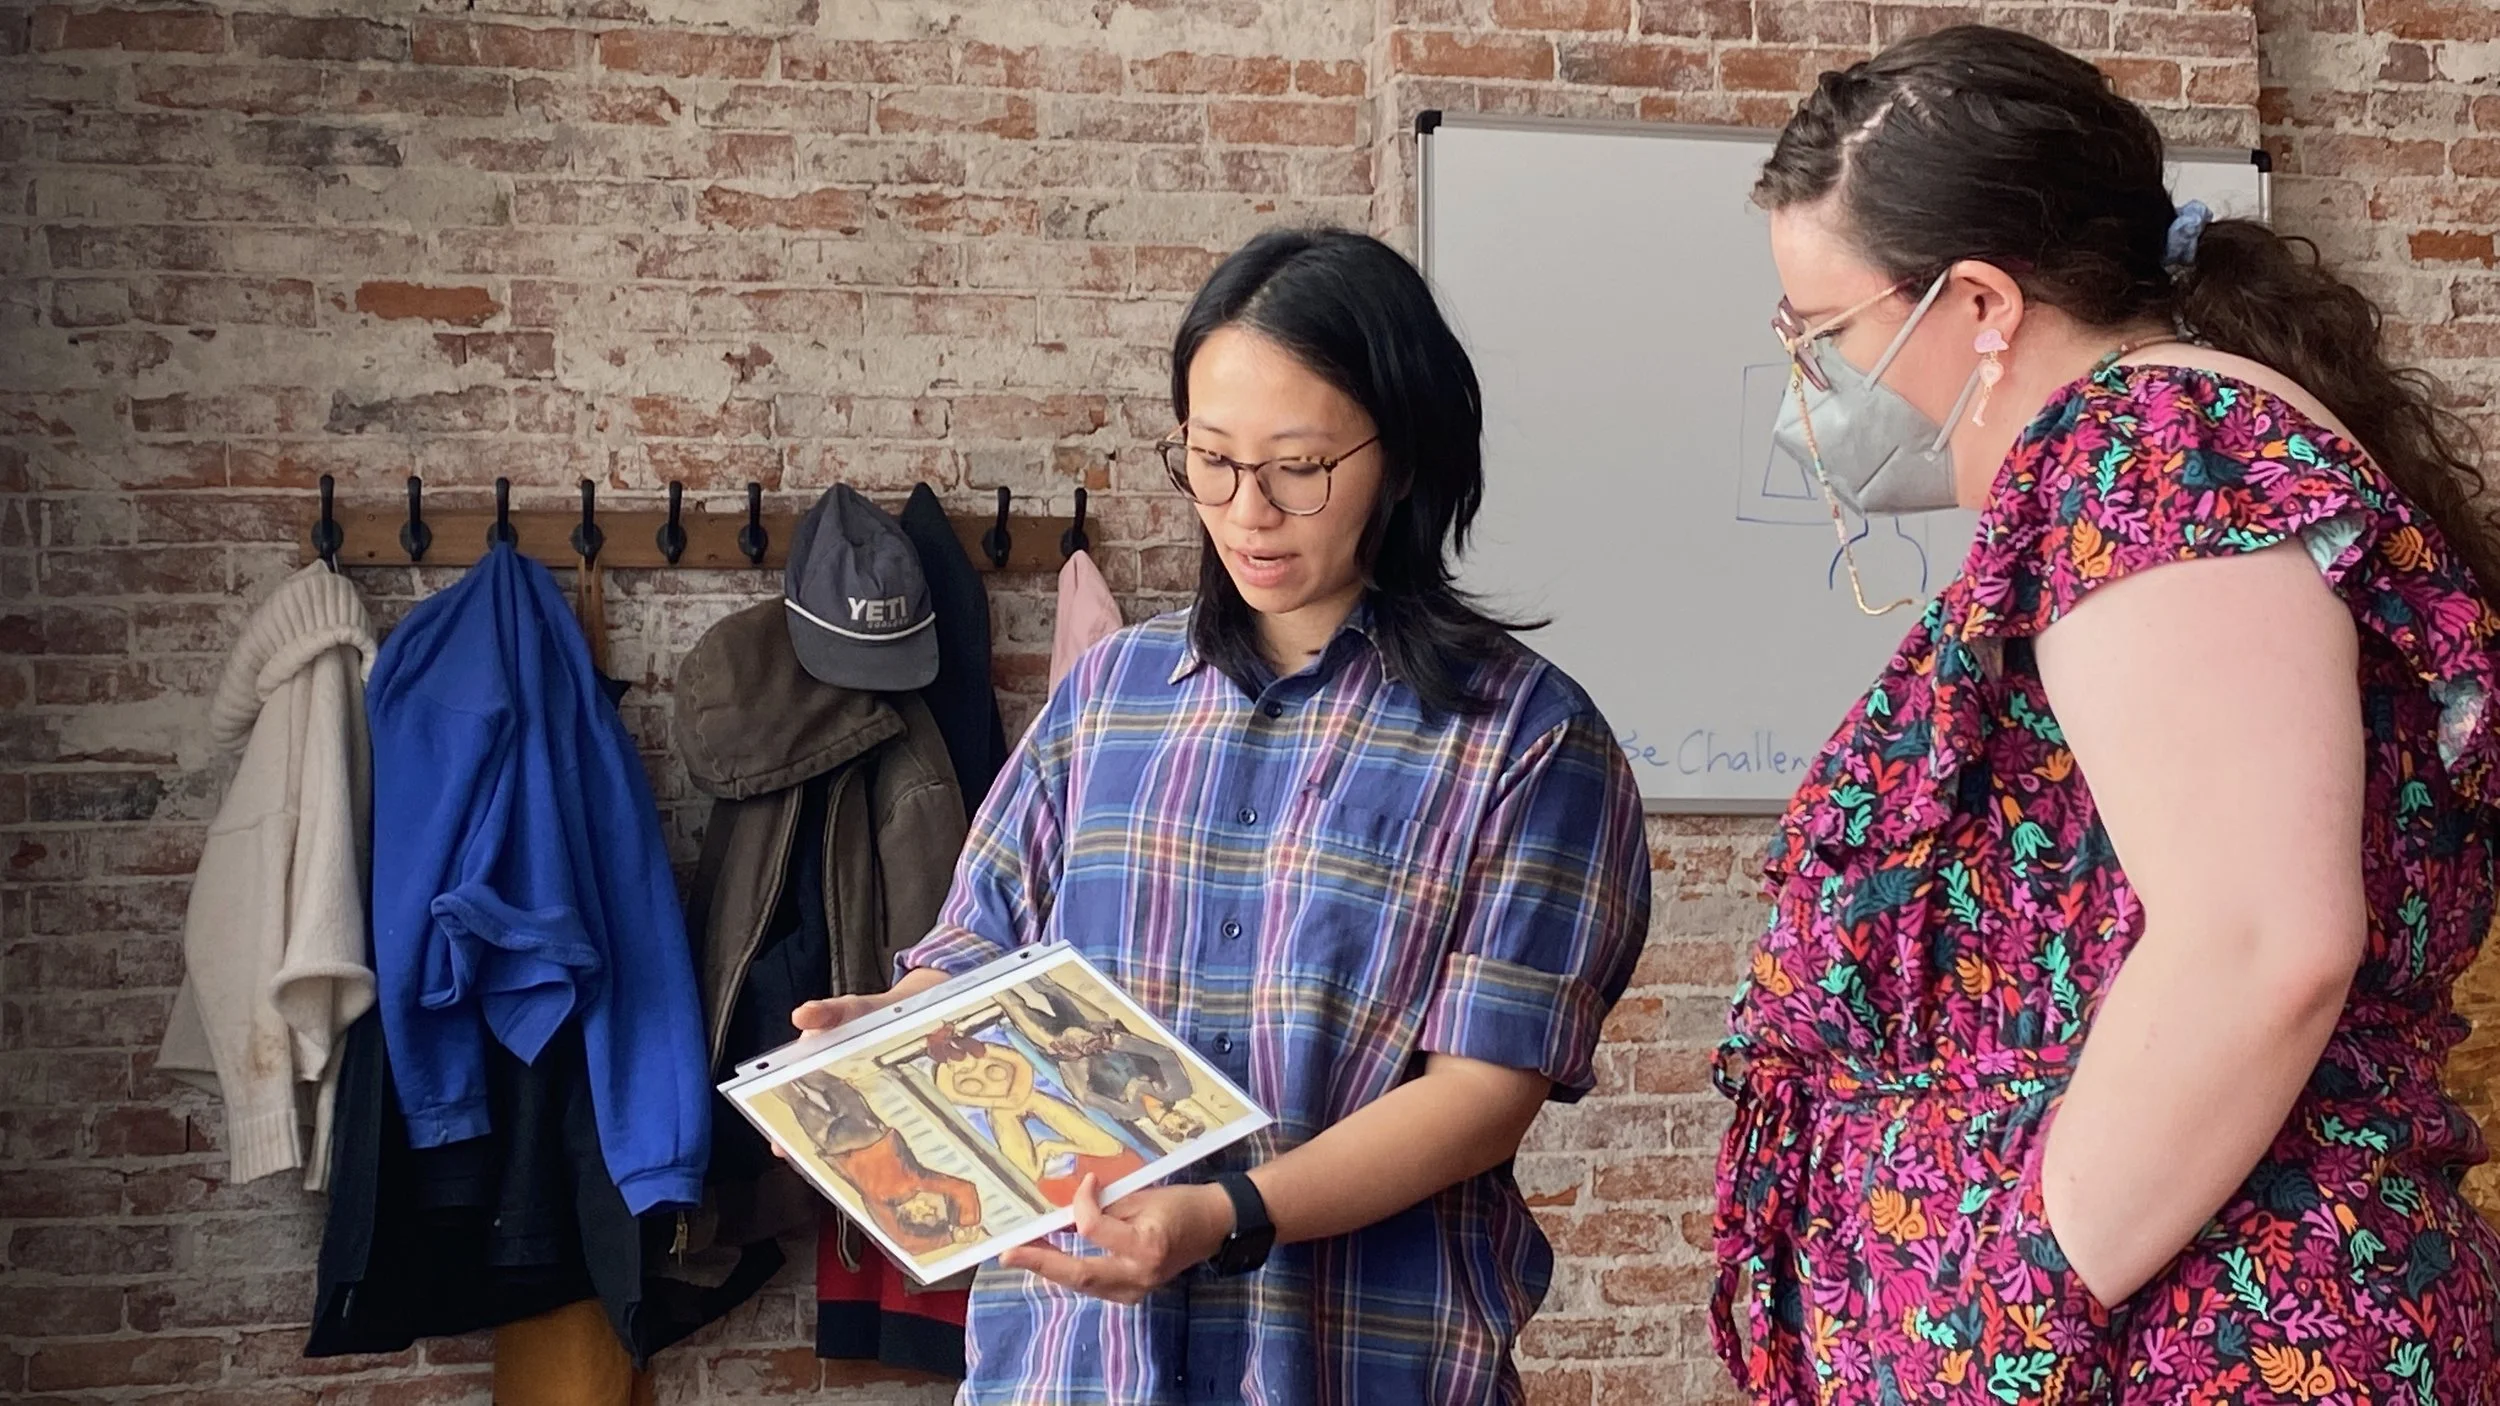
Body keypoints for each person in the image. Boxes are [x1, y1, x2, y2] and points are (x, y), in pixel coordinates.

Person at [1718, 24, 2500, 1403]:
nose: (1811, 382)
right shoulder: (2155, 457)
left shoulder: (2148, 457)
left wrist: (2002, 1319)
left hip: (2206, 1341)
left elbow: (2261, 943)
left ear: (1979, 303)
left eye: (1824, 333)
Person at [790, 228, 1652, 1405]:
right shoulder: (1107, 696)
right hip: (1074, 1362)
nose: (1248, 510)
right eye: (1210, 460)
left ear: (1402, 453)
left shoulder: (1528, 740)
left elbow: (1479, 1096)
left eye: (1299, 465)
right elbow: (982, 953)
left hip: (1353, 1358)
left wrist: (1224, 1214)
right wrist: (892, 1022)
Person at [924, 1024, 1148, 1204]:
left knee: (1044, 1104)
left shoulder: (986, 1050)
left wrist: (1019, 1097)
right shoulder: (945, 1075)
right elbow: (958, 1096)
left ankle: (1053, 1148)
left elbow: (1021, 1065)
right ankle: (1040, 1161)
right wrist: (1002, 1102)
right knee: (1006, 1127)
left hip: (1026, 1094)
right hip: (1002, 1108)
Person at [783, 1071, 985, 1257]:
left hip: (862, 1138)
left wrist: (962, 1227)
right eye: (935, 1211)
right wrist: (957, 1231)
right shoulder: (897, 1194)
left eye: (923, 1215)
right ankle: (788, 1075)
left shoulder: (912, 1185)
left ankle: (791, 1072)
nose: (928, 1208)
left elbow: (962, 1190)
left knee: (820, 1092)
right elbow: (962, 1190)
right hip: (841, 1148)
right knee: (800, 1101)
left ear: (905, 1216)